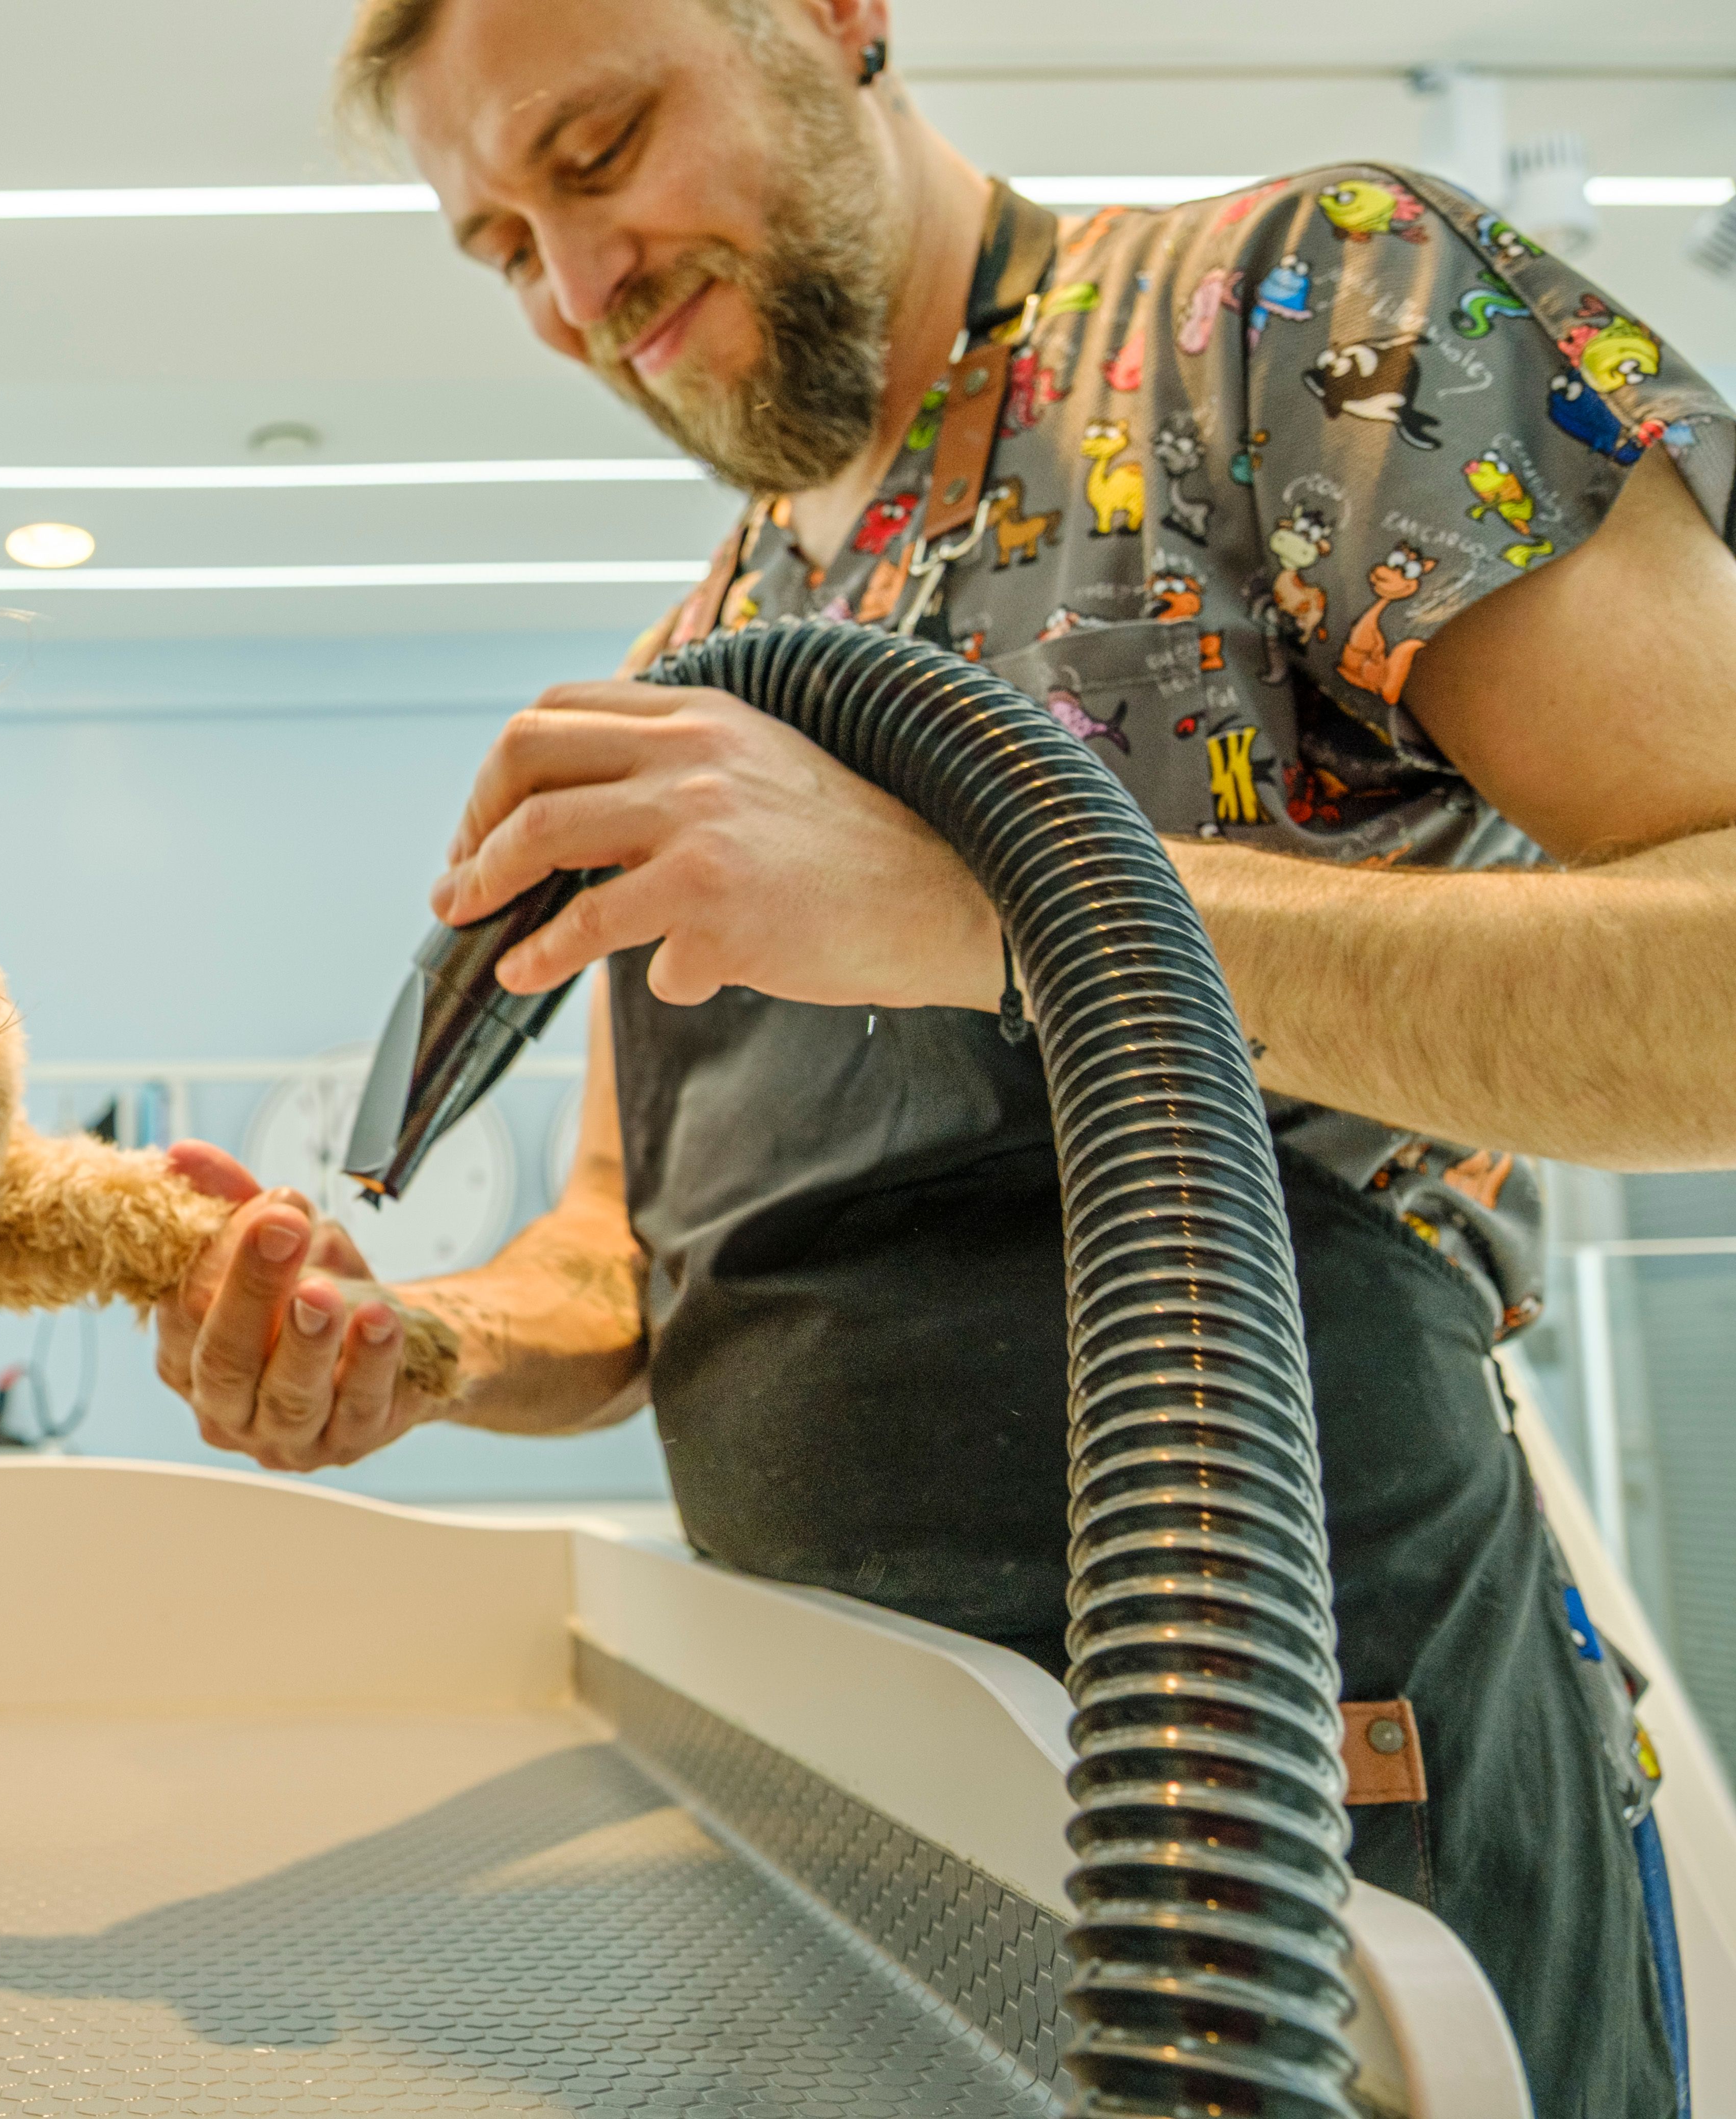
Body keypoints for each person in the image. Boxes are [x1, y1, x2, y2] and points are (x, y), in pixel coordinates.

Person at [149, 0, 1736, 2109]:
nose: (576, 289)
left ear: (836, 16)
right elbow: (629, 1263)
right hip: (844, 1772)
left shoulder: (1302, 326)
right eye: (503, 246)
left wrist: (984, 895)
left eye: (603, 149)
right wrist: (410, 1335)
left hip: (1303, 1743)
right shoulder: (703, 665)